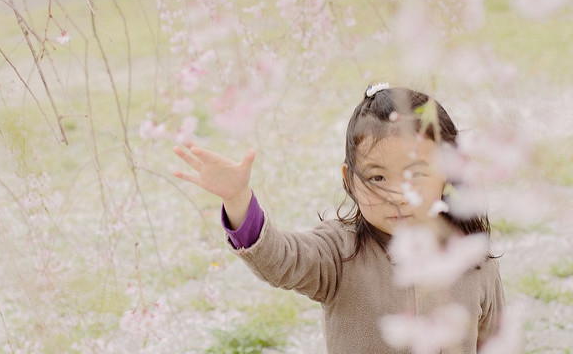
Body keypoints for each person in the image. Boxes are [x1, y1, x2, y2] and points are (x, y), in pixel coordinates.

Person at [173, 84, 505, 353]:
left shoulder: (473, 260)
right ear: (349, 180)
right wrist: (237, 200)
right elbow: (281, 259)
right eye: (377, 178)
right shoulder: (339, 253)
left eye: (415, 174)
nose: (397, 195)